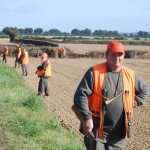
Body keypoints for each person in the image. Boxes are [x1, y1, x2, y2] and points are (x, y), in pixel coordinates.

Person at [73, 41, 149, 150]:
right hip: (96, 130)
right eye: (113, 54)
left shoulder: (130, 75)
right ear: (106, 55)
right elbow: (80, 95)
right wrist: (87, 118)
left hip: (118, 135)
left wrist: (134, 102)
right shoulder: (94, 72)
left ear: (123, 56)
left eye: (120, 54)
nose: (117, 57)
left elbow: (145, 89)